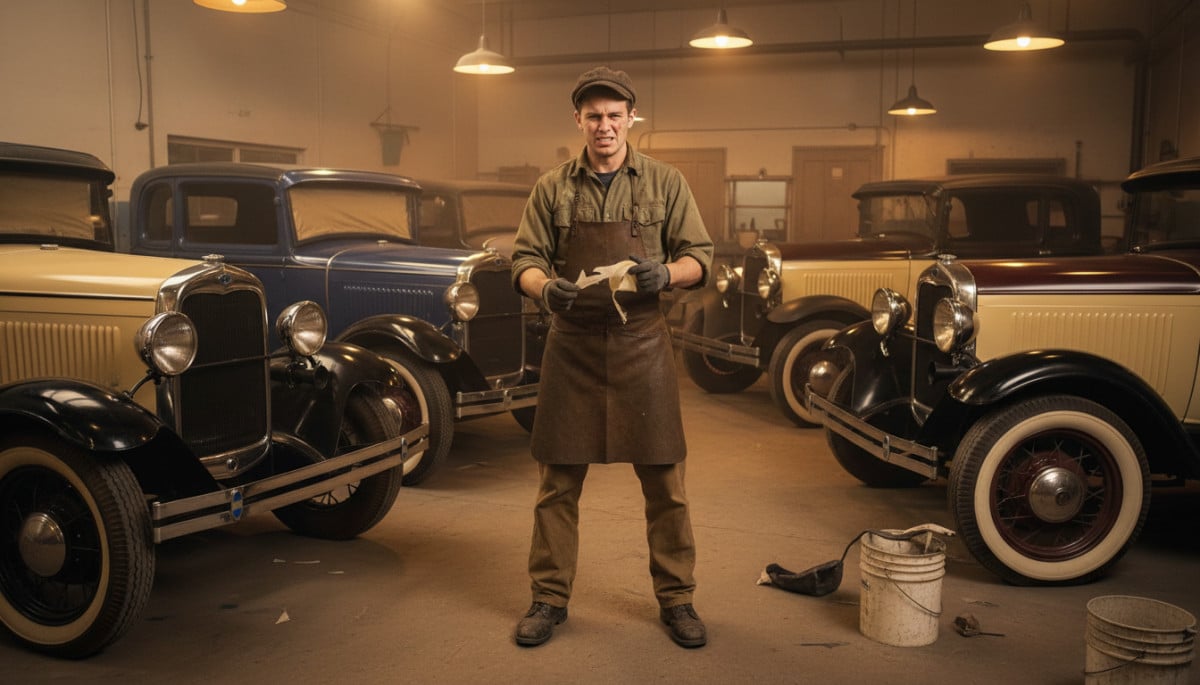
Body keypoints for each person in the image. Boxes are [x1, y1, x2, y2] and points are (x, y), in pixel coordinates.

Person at [509, 65, 714, 649]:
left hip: (642, 345)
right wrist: (542, 288)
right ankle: (548, 599)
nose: (604, 126)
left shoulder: (665, 182)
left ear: (631, 119)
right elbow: (524, 259)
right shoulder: (552, 188)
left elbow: (701, 255)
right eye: (593, 115)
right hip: (570, 347)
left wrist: (666, 272)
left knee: (666, 484)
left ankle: (677, 599)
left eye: (614, 115)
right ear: (579, 120)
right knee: (557, 484)